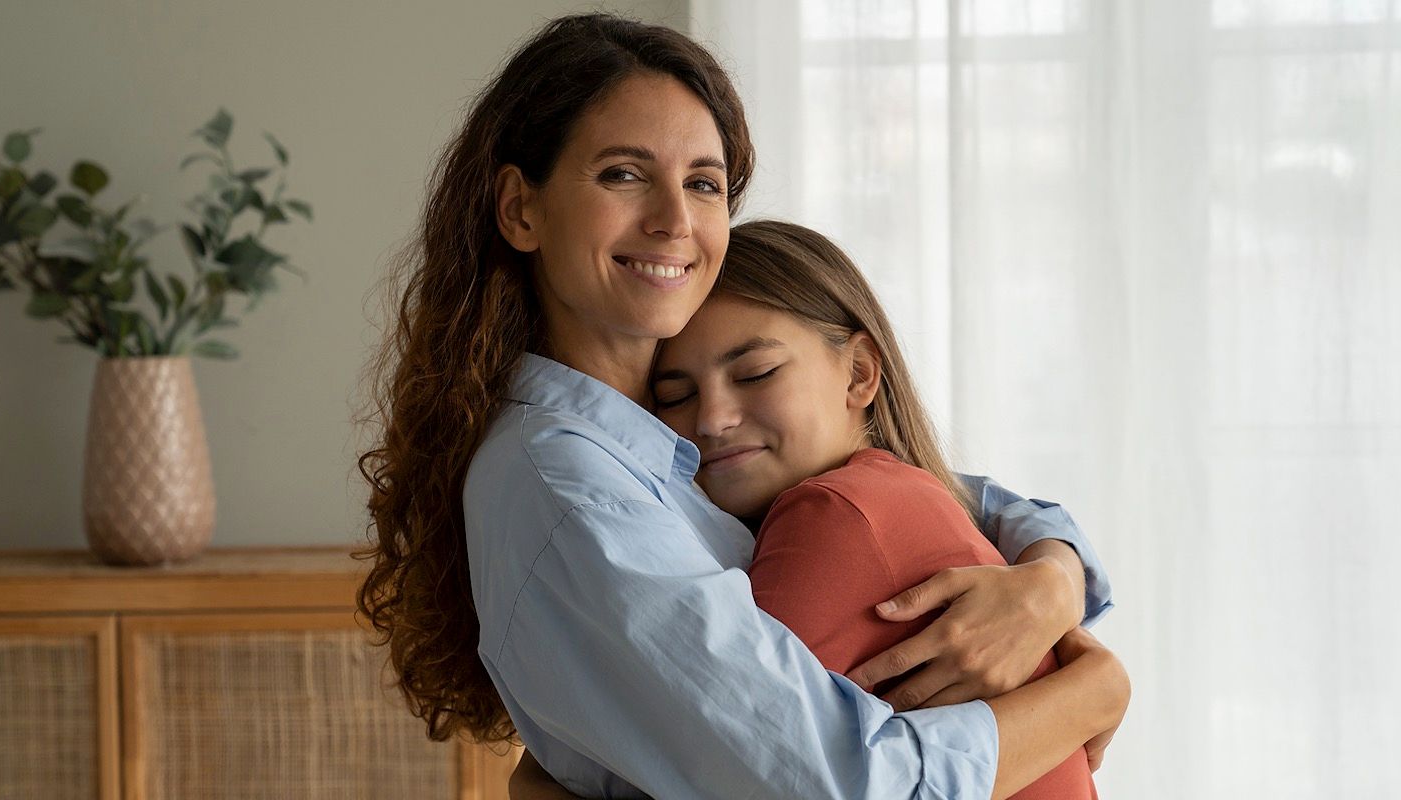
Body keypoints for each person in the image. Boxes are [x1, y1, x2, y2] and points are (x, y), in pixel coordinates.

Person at [358, 13, 1122, 798]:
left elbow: (932, 494)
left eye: (703, 183)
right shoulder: (573, 488)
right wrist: (1088, 696)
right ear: (521, 209)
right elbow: (843, 785)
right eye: (622, 173)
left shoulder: (664, 438)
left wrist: (1054, 577)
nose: (674, 220)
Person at [649, 219, 1110, 798]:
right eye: (675, 395)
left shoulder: (833, 512)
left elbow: (725, 769)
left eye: (756, 374)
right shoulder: (900, 491)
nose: (712, 418)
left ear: (859, 374)